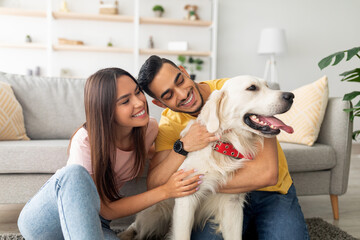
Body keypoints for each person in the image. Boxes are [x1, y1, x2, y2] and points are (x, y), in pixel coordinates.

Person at [17, 67, 206, 240]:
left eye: (137, 92)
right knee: (74, 174)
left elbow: (162, 159)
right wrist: (166, 191)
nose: (139, 103)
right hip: (49, 223)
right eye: (125, 101)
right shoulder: (85, 141)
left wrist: (188, 144)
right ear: (106, 109)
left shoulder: (148, 130)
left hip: (97, 223)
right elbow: (107, 209)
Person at [137, 55, 310, 240]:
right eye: (168, 95)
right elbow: (155, 184)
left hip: (271, 192)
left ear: (184, 71)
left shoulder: (235, 89)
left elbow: (267, 174)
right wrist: (183, 146)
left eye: (180, 80)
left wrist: (195, 185)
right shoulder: (170, 122)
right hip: (218, 198)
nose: (182, 94)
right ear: (160, 104)